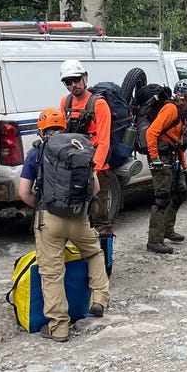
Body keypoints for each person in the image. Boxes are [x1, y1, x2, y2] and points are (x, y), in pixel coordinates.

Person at [17, 108, 110, 342]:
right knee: (94, 253)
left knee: (51, 272)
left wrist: (41, 207)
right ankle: (99, 299)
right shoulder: (79, 147)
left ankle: (58, 327)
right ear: (64, 127)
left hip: (49, 218)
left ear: (41, 129)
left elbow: (23, 193)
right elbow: (96, 188)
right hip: (79, 217)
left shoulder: (36, 153)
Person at [58, 60, 115, 268]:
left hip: (97, 169)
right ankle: (77, 263)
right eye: (68, 82)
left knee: (100, 218)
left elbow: (104, 141)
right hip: (74, 169)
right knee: (72, 218)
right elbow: (63, 137)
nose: (74, 85)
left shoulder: (98, 104)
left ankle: (105, 266)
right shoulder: (66, 103)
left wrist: (94, 169)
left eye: (77, 80)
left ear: (85, 78)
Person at [145, 79, 187, 254]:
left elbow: (178, 142)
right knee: (162, 198)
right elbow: (151, 132)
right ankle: (154, 240)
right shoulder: (171, 109)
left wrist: (183, 166)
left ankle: (167, 229)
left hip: (173, 156)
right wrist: (155, 159)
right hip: (162, 158)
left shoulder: (182, 111)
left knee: (181, 192)